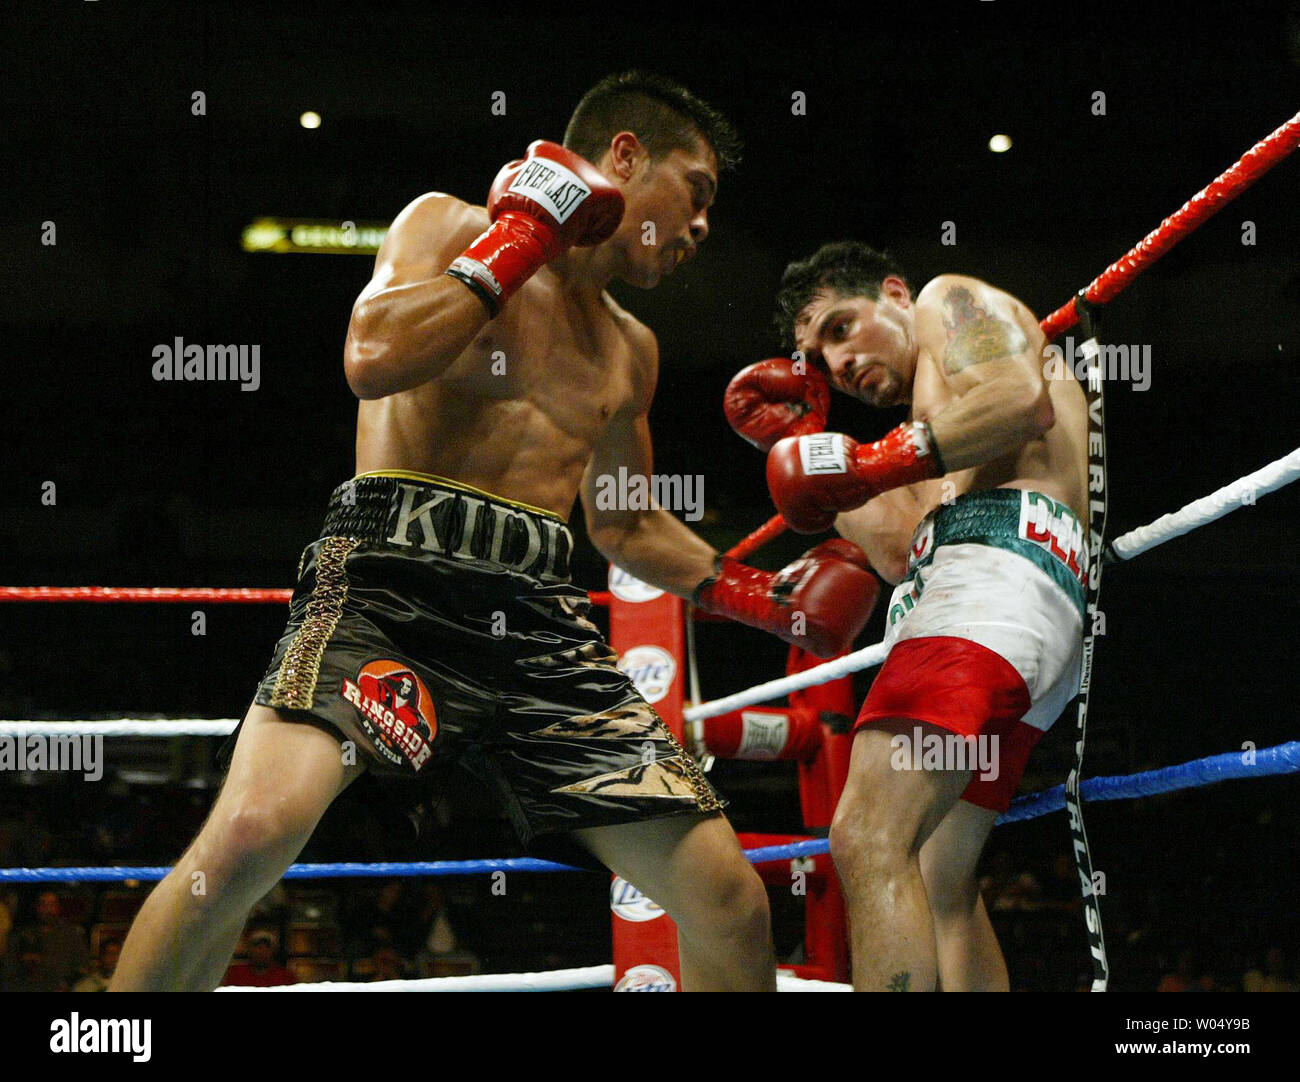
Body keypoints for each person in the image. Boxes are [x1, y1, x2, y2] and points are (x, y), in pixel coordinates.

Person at [112, 72, 879, 993]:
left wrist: (760, 597)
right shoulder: (450, 224)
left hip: (538, 628)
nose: (702, 227)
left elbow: (625, 520)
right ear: (624, 156)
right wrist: (518, 241)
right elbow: (371, 357)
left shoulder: (631, 347)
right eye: (697, 192)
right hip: (389, 588)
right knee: (244, 839)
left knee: (728, 899)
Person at [731, 240, 1088, 991]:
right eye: (820, 359)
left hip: (989, 591)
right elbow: (902, 550)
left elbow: (1022, 398)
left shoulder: (948, 300)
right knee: (935, 878)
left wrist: (871, 463)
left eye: (839, 328)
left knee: (865, 836)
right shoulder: (939, 419)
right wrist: (806, 450)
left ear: (894, 292)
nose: (838, 363)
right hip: (1004, 606)